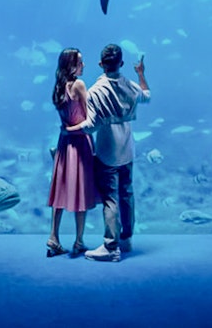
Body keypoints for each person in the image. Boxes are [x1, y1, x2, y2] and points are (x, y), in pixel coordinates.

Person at [67, 43, 149, 262]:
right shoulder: (131, 86)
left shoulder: (95, 91)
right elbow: (147, 96)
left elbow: (91, 125)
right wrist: (140, 74)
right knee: (127, 194)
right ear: (121, 64)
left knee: (110, 199)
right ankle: (127, 238)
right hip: (127, 150)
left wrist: (70, 130)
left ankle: (111, 246)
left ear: (100, 64)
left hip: (107, 153)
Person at [45, 48, 98, 258]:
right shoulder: (79, 85)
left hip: (64, 144)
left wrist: (66, 131)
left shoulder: (58, 87)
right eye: (80, 62)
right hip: (79, 143)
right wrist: (72, 130)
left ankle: (53, 237)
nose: (84, 66)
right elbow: (89, 119)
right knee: (81, 192)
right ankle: (79, 240)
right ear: (71, 65)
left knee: (60, 190)